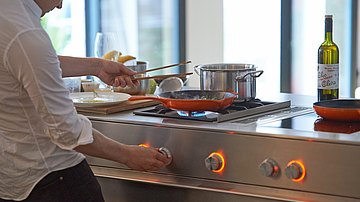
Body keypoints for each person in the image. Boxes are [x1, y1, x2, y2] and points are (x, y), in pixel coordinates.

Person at [0, 0, 168, 201]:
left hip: (11, 180)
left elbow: (24, 61)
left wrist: (97, 67)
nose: (61, 6)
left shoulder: (9, 19)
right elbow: (66, 132)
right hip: (54, 179)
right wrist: (128, 155)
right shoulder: (25, 34)